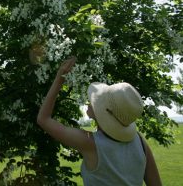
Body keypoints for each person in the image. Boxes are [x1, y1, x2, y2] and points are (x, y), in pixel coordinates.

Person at [37, 57, 162, 186]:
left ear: (104, 113)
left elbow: (43, 119)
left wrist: (59, 79)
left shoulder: (90, 143)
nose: (90, 102)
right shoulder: (140, 142)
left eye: (96, 102)